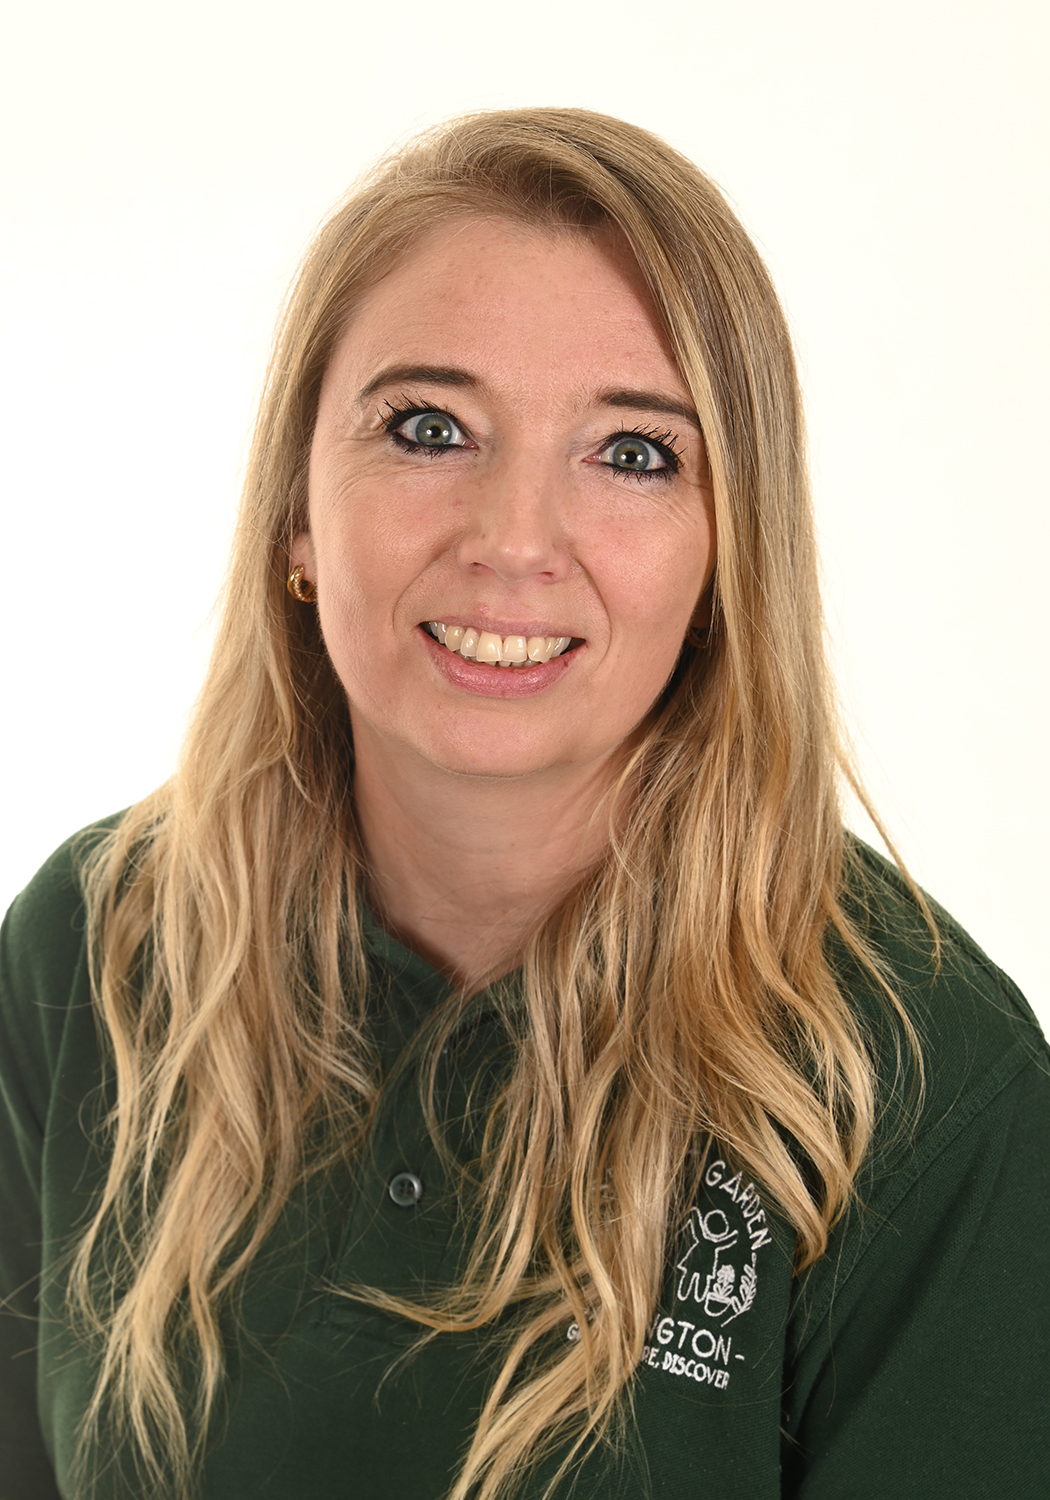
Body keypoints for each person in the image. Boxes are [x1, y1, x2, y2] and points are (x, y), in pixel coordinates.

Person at [1, 108, 1047, 1500]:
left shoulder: (923, 1086)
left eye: (633, 453)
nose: (512, 542)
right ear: (296, 513)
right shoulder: (91, 950)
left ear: (726, 555)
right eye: (429, 429)